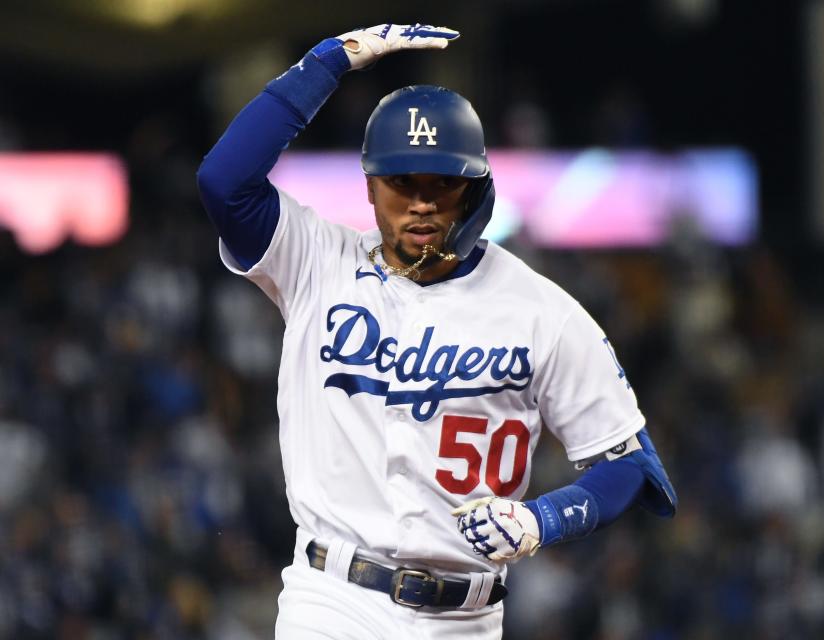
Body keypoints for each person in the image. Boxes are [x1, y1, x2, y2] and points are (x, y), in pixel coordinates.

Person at [196, 23, 677, 640]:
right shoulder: (315, 261)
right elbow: (223, 182)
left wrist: (543, 520)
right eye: (402, 182)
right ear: (370, 186)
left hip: (467, 619)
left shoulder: (542, 312)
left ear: (474, 188)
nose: (421, 203)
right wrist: (328, 63)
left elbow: (634, 468)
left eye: (441, 183)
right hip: (332, 600)